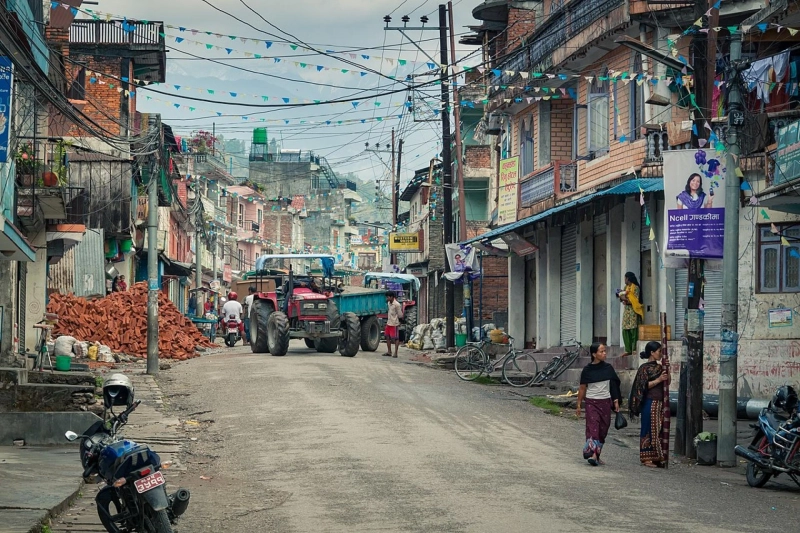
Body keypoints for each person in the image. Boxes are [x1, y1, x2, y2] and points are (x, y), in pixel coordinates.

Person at [576, 343, 622, 466]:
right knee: (593, 428)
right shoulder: (587, 370)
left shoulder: (608, 368)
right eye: (601, 351)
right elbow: (582, 388)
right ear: (594, 354)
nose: (604, 353)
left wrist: (616, 400)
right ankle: (593, 455)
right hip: (591, 402)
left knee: (603, 429)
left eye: (605, 351)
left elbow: (614, 385)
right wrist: (579, 404)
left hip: (606, 402)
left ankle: (597, 454)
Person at [629, 341, 669, 468]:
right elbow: (642, 386)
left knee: (658, 430)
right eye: (659, 352)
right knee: (648, 429)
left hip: (660, 402)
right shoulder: (645, 368)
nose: (661, 354)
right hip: (650, 402)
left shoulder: (660, 367)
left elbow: (667, 382)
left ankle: (657, 457)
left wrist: (668, 369)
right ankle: (646, 458)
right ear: (652, 353)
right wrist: (658, 380)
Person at [618, 272, 644, 356]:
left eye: (625, 278)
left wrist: (624, 299)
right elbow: (623, 299)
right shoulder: (626, 287)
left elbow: (634, 301)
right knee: (625, 330)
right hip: (627, 312)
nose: (624, 280)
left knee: (634, 330)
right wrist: (621, 297)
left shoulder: (636, 288)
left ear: (628, 278)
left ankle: (634, 349)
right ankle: (628, 349)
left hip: (633, 311)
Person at [383, 291, 404, 358]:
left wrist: (400, 322)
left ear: (391, 297)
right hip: (389, 323)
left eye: (388, 297)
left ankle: (396, 353)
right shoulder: (389, 303)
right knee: (387, 337)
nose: (387, 298)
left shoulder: (397, 304)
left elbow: (400, 315)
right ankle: (389, 352)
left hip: (394, 323)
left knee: (395, 338)